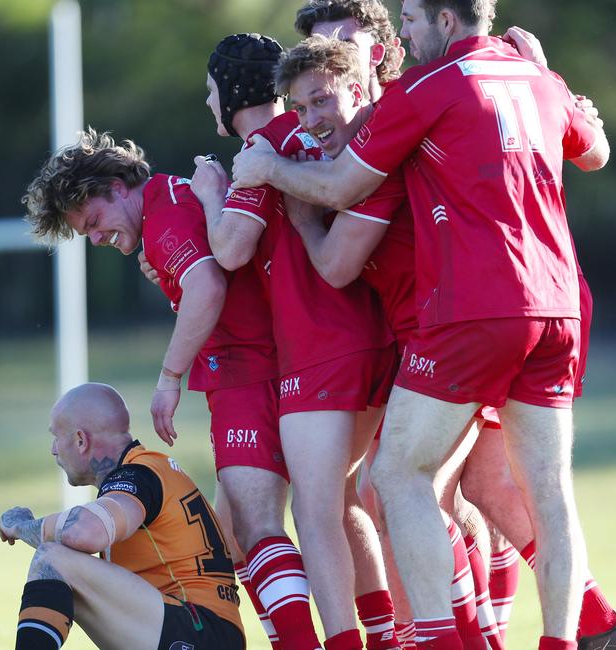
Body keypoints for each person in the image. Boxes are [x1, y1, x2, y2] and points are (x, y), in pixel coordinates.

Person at [230, 0, 610, 647]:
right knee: (525, 488)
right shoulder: (533, 77)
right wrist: (552, 78)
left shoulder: (420, 93)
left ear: (444, 19)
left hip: (476, 313)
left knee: (398, 480)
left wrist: (269, 175)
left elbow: (341, 217)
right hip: (557, 305)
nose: (403, 31)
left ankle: (438, 640)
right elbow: (597, 151)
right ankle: (577, 632)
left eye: (409, 18)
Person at [22, 123, 321, 650]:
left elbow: (206, 285)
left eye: (94, 221)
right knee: (234, 536)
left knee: (259, 531)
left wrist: (168, 378)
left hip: (247, 370)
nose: (95, 238)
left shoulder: (161, 219)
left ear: (118, 186)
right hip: (267, 363)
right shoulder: (172, 202)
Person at [192, 32, 401, 650]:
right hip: (379, 337)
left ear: (231, 92)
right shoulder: (332, 132)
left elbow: (229, 249)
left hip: (319, 348)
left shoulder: (266, 145)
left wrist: (208, 198)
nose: (208, 104)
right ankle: (391, 634)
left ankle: (343, 642)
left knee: (314, 512)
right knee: (349, 499)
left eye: (210, 91)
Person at [0, 382, 244, 650]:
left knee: (52, 558)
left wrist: (21, 526)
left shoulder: (138, 474)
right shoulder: (148, 469)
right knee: (63, 571)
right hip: (202, 626)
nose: (53, 449)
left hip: (199, 628)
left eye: (56, 437)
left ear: (81, 440)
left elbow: (85, 533)